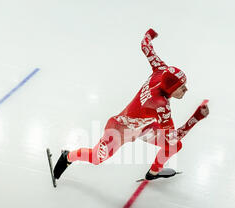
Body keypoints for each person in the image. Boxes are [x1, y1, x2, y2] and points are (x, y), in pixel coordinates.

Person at [53, 28, 209, 181]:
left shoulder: (161, 70)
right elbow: (173, 137)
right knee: (96, 158)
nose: (186, 89)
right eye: (181, 87)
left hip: (143, 127)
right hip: (119, 130)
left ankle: (153, 173)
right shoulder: (161, 105)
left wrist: (149, 35)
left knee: (174, 146)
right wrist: (196, 117)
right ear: (171, 88)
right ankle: (68, 156)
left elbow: (145, 47)